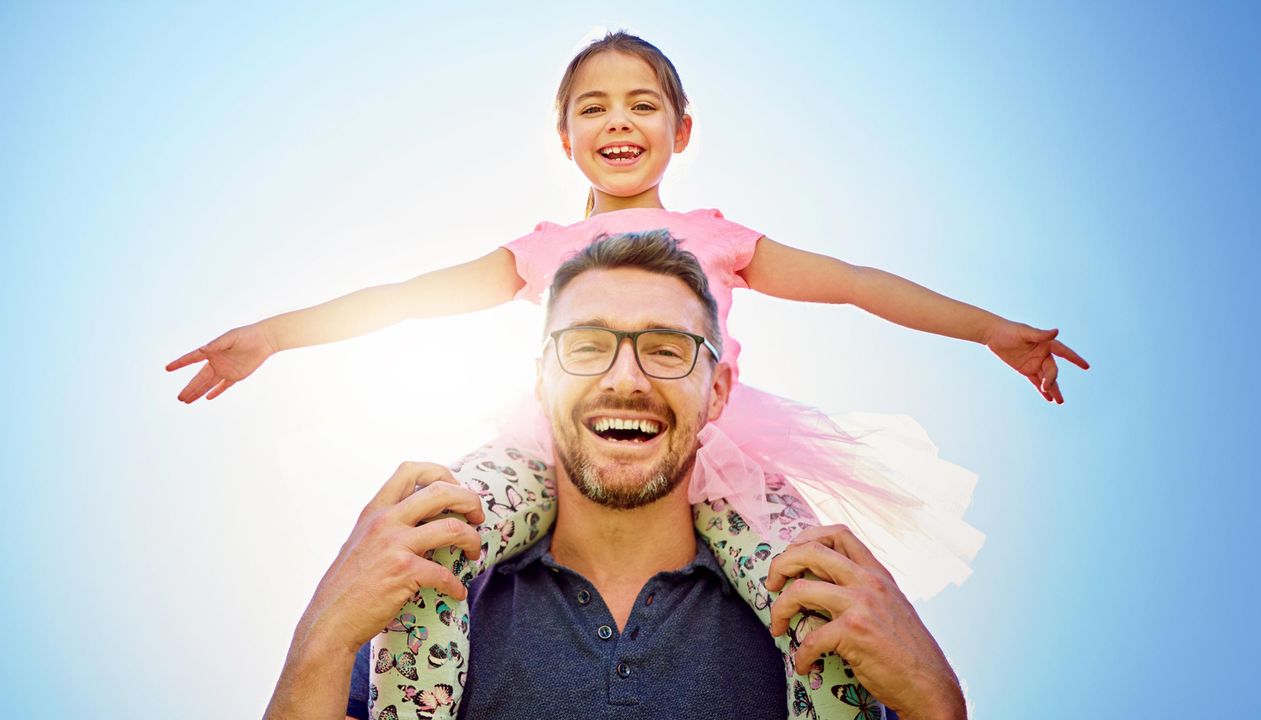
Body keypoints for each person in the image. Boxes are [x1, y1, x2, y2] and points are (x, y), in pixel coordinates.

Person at [264, 232, 967, 719]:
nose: (624, 379)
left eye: (666, 350)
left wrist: (939, 706)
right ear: (540, 385)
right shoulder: (424, 604)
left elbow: (851, 282)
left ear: (718, 392)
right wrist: (322, 638)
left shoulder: (819, 614)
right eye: (586, 346)